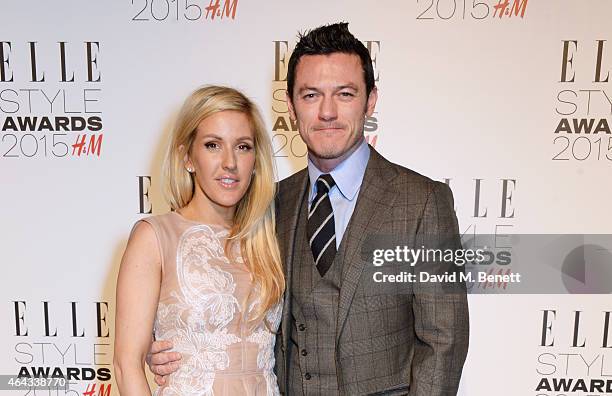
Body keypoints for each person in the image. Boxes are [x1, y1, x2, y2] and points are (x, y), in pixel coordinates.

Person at [148, 23, 469, 395]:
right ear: (291, 105)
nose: (327, 112)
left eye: (345, 94)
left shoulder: (422, 202)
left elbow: (444, 342)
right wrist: (177, 352)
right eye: (311, 95)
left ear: (371, 101)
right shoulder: (272, 203)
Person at [113, 85, 285, 395]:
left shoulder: (268, 238)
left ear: (255, 160)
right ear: (187, 157)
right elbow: (127, 365)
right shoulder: (154, 237)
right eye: (213, 145)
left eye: (243, 146)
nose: (229, 162)